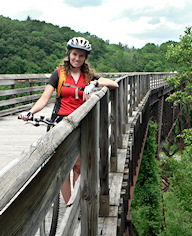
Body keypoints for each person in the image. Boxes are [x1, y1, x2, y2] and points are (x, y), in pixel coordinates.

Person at [19, 36, 118, 205]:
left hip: (80, 123)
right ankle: (69, 204)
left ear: (85, 58)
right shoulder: (58, 75)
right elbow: (44, 99)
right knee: (62, 168)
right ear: (69, 54)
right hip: (59, 124)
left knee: (78, 167)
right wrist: (30, 112)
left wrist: (93, 84)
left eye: (81, 55)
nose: (77, 58)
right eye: (74, 54)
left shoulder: (88, 77)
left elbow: (113, 84)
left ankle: (77, 206)